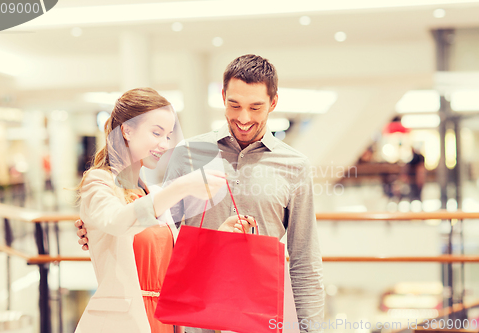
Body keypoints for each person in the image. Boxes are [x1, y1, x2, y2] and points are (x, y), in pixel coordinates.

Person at [78, 55, 324, 332]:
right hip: (188, 319)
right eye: (234, 105)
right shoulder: (188, 155)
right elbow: (162, 234)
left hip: (255, 316)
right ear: (222, 97)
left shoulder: (295, 166)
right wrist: (99, 227)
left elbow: (305, 260)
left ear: (274, 103)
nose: (244, 117)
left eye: (256, 107)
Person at [74, 87, 256, 333]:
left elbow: (176, 267)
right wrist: (180, 187)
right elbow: (117, 221)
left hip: (166, 320)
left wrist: (220, 237)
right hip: (126, 323)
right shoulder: (99, 182)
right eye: (157, 133)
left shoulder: (148, 192)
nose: (165, 144)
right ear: (127, 130)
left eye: (169, 135)